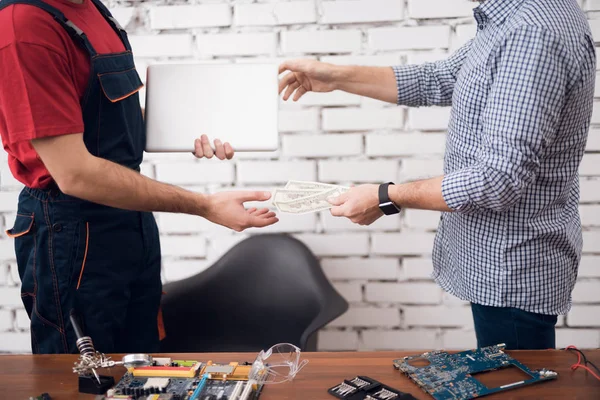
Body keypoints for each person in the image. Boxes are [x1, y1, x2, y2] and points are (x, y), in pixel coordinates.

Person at [279, 0, 595, 350]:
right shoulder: (515, 20)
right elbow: (438, 79)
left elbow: (497, 179)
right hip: (500, 261)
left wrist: (386, 196)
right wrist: (335, 77)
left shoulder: (532, 33)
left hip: (511, 268)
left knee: (517, 386)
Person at [0, 0, 278, 354]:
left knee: (141, 368)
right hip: (71, 232)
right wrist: (205, 205)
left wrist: (196, 125)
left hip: (129, 220)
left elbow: (106, 118)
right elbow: (76, 174)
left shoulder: (92, 9)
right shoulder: (24, 27)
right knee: (83, 379)